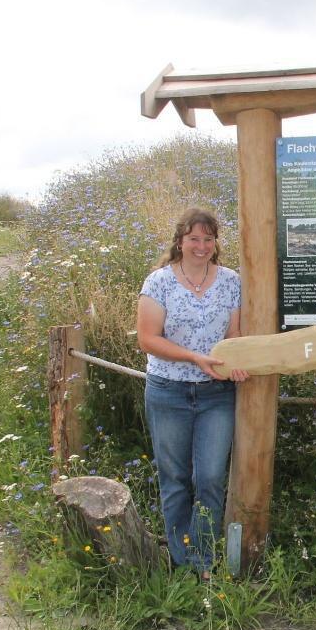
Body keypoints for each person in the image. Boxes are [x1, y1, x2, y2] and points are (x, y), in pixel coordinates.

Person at [136, 207, 248, 578]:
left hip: (216, 393)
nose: (201, 246)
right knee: (175, 477)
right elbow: (147, 339)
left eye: (208, 239)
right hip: (168, 391)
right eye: (194, 239)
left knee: (212, 477)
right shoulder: (159, 282)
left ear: (216, 243)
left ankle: (202, 562)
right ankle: (181, 560)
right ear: (180, 241)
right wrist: (193, 357)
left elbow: (234, 335)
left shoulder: (232, 281)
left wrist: (234, 362)